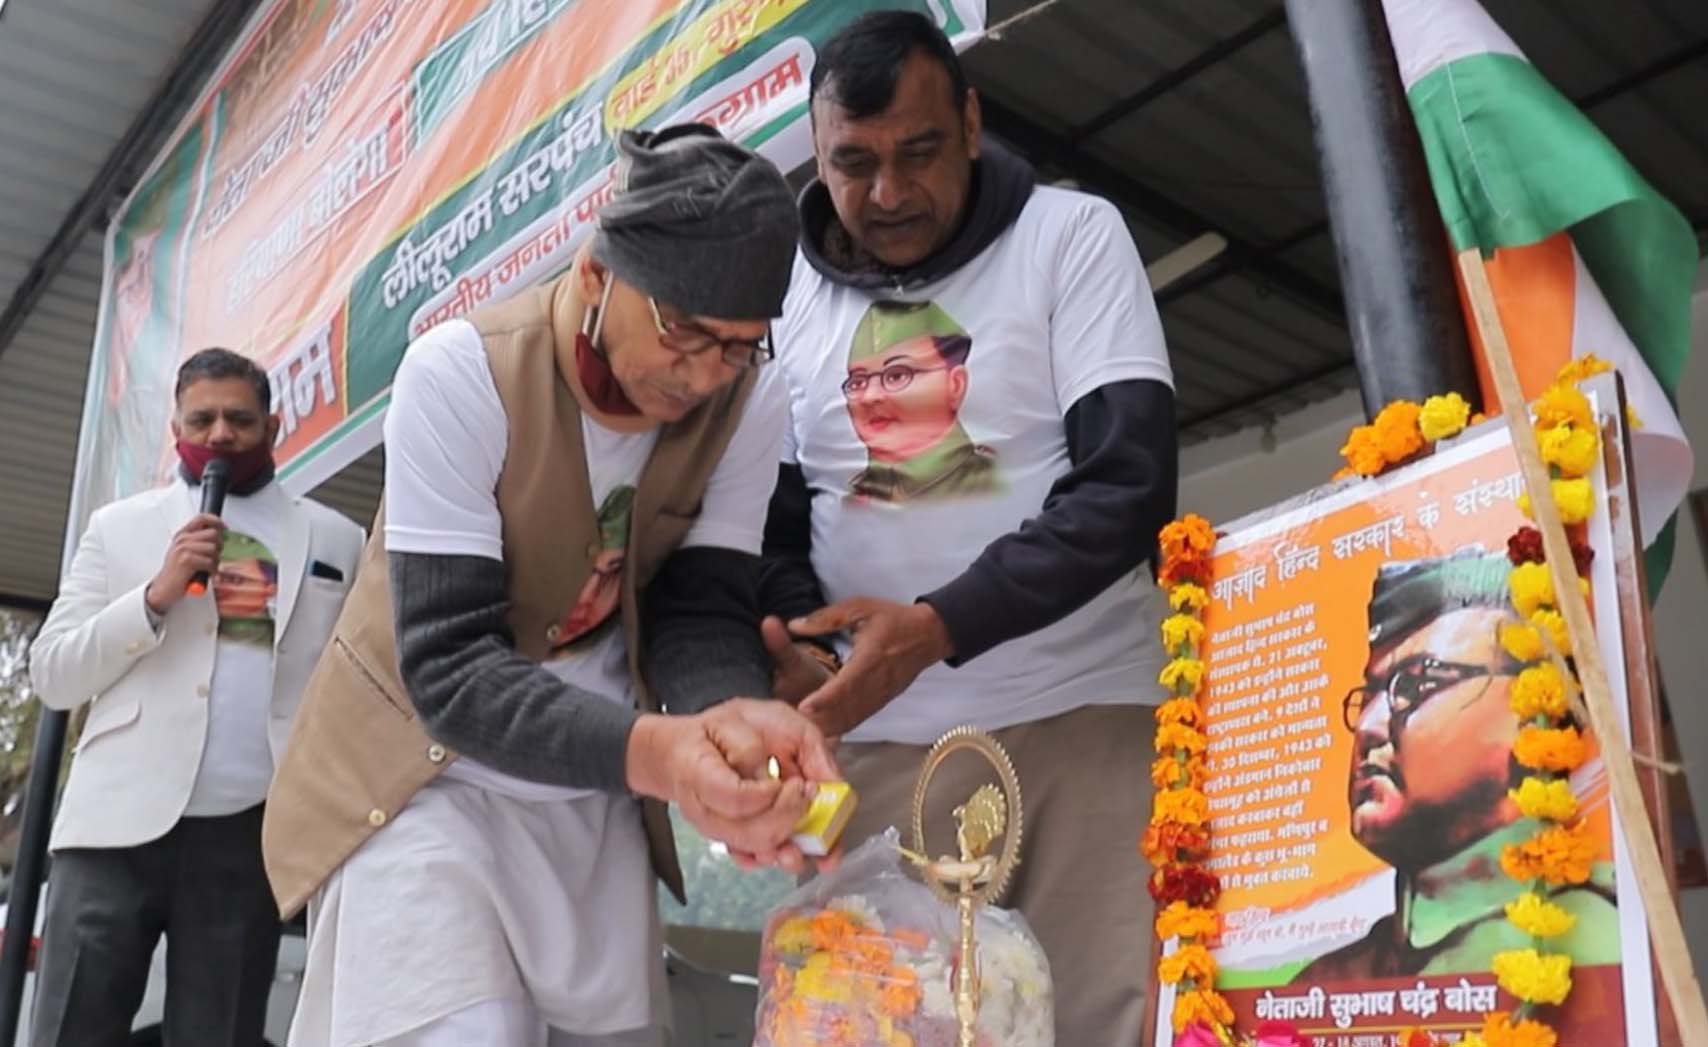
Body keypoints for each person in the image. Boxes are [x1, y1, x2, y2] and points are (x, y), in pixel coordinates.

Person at [263, 125, 840, 1047]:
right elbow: (449, 667)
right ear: (596, 273)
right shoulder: (462, 374)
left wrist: (735, 726)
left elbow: (699, 604)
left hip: (591, 782)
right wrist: (667, 756)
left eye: (738, 346)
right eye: (685, 331)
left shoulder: (749, 398)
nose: (705, 375)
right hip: (426, 779)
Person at [750, 12, 1178, 1042]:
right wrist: (802, 649)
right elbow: (770, 524)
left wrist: (936, 628)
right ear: (818, 156)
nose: (888, 193)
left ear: (973, 124)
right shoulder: (783, 296)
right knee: (883, 1022)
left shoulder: (1069, 237)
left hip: (1084, 715)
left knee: (1102, 1016)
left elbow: (1127, 487)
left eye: (919, 152)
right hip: (876, 746)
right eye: (854, 164)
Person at [27, 348, 366, 1046]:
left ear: (273, 426)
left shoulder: (337, 538)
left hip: (250, 830)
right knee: (72, 1027)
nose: (219, 434)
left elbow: (354, 681)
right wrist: (154, 596)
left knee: (222, 1032)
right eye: (201, 419)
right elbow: (55, 672)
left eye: (238, 419)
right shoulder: (119, 527)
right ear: (175, 427)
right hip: (113, 827)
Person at [1294, 550, 1618, 981]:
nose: (1369, 726)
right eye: (1369, 695)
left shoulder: (1593, 943)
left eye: (1416, 683)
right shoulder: (1328, 982)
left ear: (1533, 704)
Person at [843, 300, 1001, 502]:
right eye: (858, 382)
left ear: (955, 385)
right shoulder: (854, 497)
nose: (869, 396)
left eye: (897, 375)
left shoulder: (989, 481)